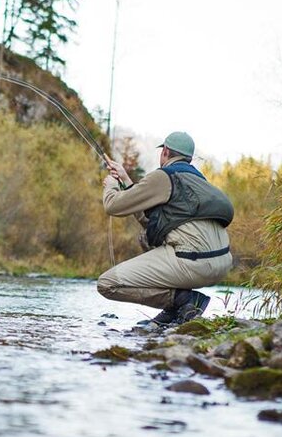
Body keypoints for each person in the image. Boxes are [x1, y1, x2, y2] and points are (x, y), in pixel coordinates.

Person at [97, 132, 234, 325]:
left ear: (166, 151)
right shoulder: (198, 181)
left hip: (191, 261)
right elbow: (152, 219)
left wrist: (111, 185)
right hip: (222, 264)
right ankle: (178, 309)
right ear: (188, 158)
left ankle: (183, 301)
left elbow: (113, 206)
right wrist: (126, 180)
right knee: (148, 237)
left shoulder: (163, 177)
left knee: (107, 284)